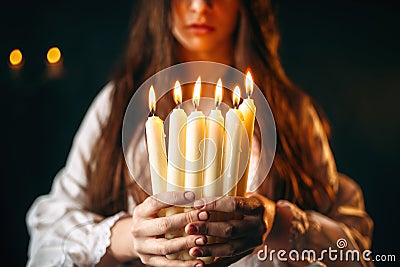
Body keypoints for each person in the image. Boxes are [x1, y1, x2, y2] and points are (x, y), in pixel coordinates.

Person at [26, 0, 374, 266]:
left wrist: (277, 223)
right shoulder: (116, 106)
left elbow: (355, 249)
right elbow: (48, 236)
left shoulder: (292, 113)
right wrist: (130, 236)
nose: (200, 5)